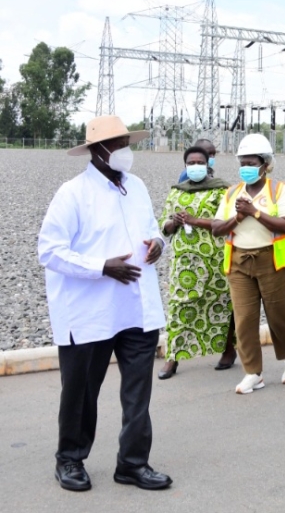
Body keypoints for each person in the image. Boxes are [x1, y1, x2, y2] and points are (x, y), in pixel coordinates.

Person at [38, 115, 172, 492]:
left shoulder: (139, 187)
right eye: (118, 145)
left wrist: (159, 244)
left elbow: (152, 230)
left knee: (137, 394)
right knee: (81, 392)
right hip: (90, 313)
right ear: (97, 150)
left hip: (137, 308)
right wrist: (101, 267)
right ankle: (70, 459)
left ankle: (132, 463)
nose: (125, 152)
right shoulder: (73, 193)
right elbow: (49, 250)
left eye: (127, 143)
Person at [211, 133, 285, 394]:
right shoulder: (231, 193)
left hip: (272, 260)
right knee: (244, 320)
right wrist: (238, 218)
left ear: (265, 164)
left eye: (252, 163)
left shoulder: (278, 190)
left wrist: (255, 212)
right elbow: (217, 228)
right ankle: (253, 372)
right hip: (239, 261)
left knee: (278, 316)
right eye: (243, 163)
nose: (246, 168)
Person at [158, 144, 235, 379]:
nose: (194, 167)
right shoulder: (176, 192)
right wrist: (175, 223)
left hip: (214, 259)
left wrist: (195, 220)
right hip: (184, 263)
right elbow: (164, 225)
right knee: (179, 307)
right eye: (190, 163)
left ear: (208, 164)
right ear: (184, 166)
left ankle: (228, 350)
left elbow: (228, 222)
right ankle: (173, 358)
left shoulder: (222, 191)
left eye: (199, 162)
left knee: (222, 304)